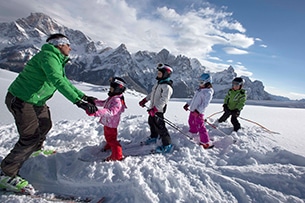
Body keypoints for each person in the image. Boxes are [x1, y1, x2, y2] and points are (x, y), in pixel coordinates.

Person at [0, 33, 98, 194]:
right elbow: (56, 80)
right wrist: (78, 102)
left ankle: (36, 149)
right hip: (21, 99)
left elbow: (65, 81)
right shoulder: (48, 57)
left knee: (45, 124)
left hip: (35, 100)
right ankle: (7, 172)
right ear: (60, 45)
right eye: (68, 44)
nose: (70, 47)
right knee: (29, 137)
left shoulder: (57, 58)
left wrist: (84, 96)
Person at [87, 77, 127, 161]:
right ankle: (109, 145)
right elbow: (104, 103)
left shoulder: (117, 101)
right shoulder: (113, 97)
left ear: (117, 89)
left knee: (111, 138)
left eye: (112, 88)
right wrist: (94, 101)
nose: (110, 90)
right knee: (109, 136)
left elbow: (111, 112)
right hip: (109, 122)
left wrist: (96, 112)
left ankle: (117, 155)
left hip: (111, 123)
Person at [139, 63, 174, 153]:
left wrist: (155, 109)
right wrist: (145, 100)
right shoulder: (158, 84)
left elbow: (164, 100)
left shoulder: (167, 87)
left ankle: (167, 145)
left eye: (160, 73)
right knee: (151, 122)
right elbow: (152, 94)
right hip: (152, 109)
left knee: (160, 127)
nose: (157, 75)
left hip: (158, 110)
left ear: (166, 74)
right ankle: (154, 137)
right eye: (158, 73)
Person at [183, 73, 214, 149]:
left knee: (200, 126)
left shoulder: (208, 92)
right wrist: (188, 104)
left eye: (201, 82)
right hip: (193, 111)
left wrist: (198, 111)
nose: (200, 84)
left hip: (199, 113)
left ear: (207, 83)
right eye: (199, 82)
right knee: (191, 121)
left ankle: (205, 142)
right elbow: (194, 100)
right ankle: (193, 132)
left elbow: (205, 104)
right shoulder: (199, 90)